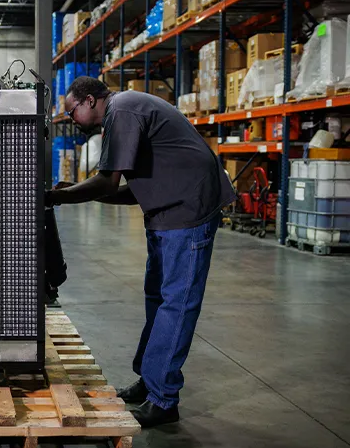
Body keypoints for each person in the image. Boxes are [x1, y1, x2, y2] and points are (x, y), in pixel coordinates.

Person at [45, 76, 235, 428]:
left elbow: (107, 182)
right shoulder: (121, 114)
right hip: (165, 212)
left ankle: (164, 400)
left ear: (89, 101)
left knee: (176, 303)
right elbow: (130, 192)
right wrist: (70, 191)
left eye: (72, 112)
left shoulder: (124, 109)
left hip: (189, 211)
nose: (71, 119)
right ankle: (150, 380)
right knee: (157, 297)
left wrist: (59, 196)